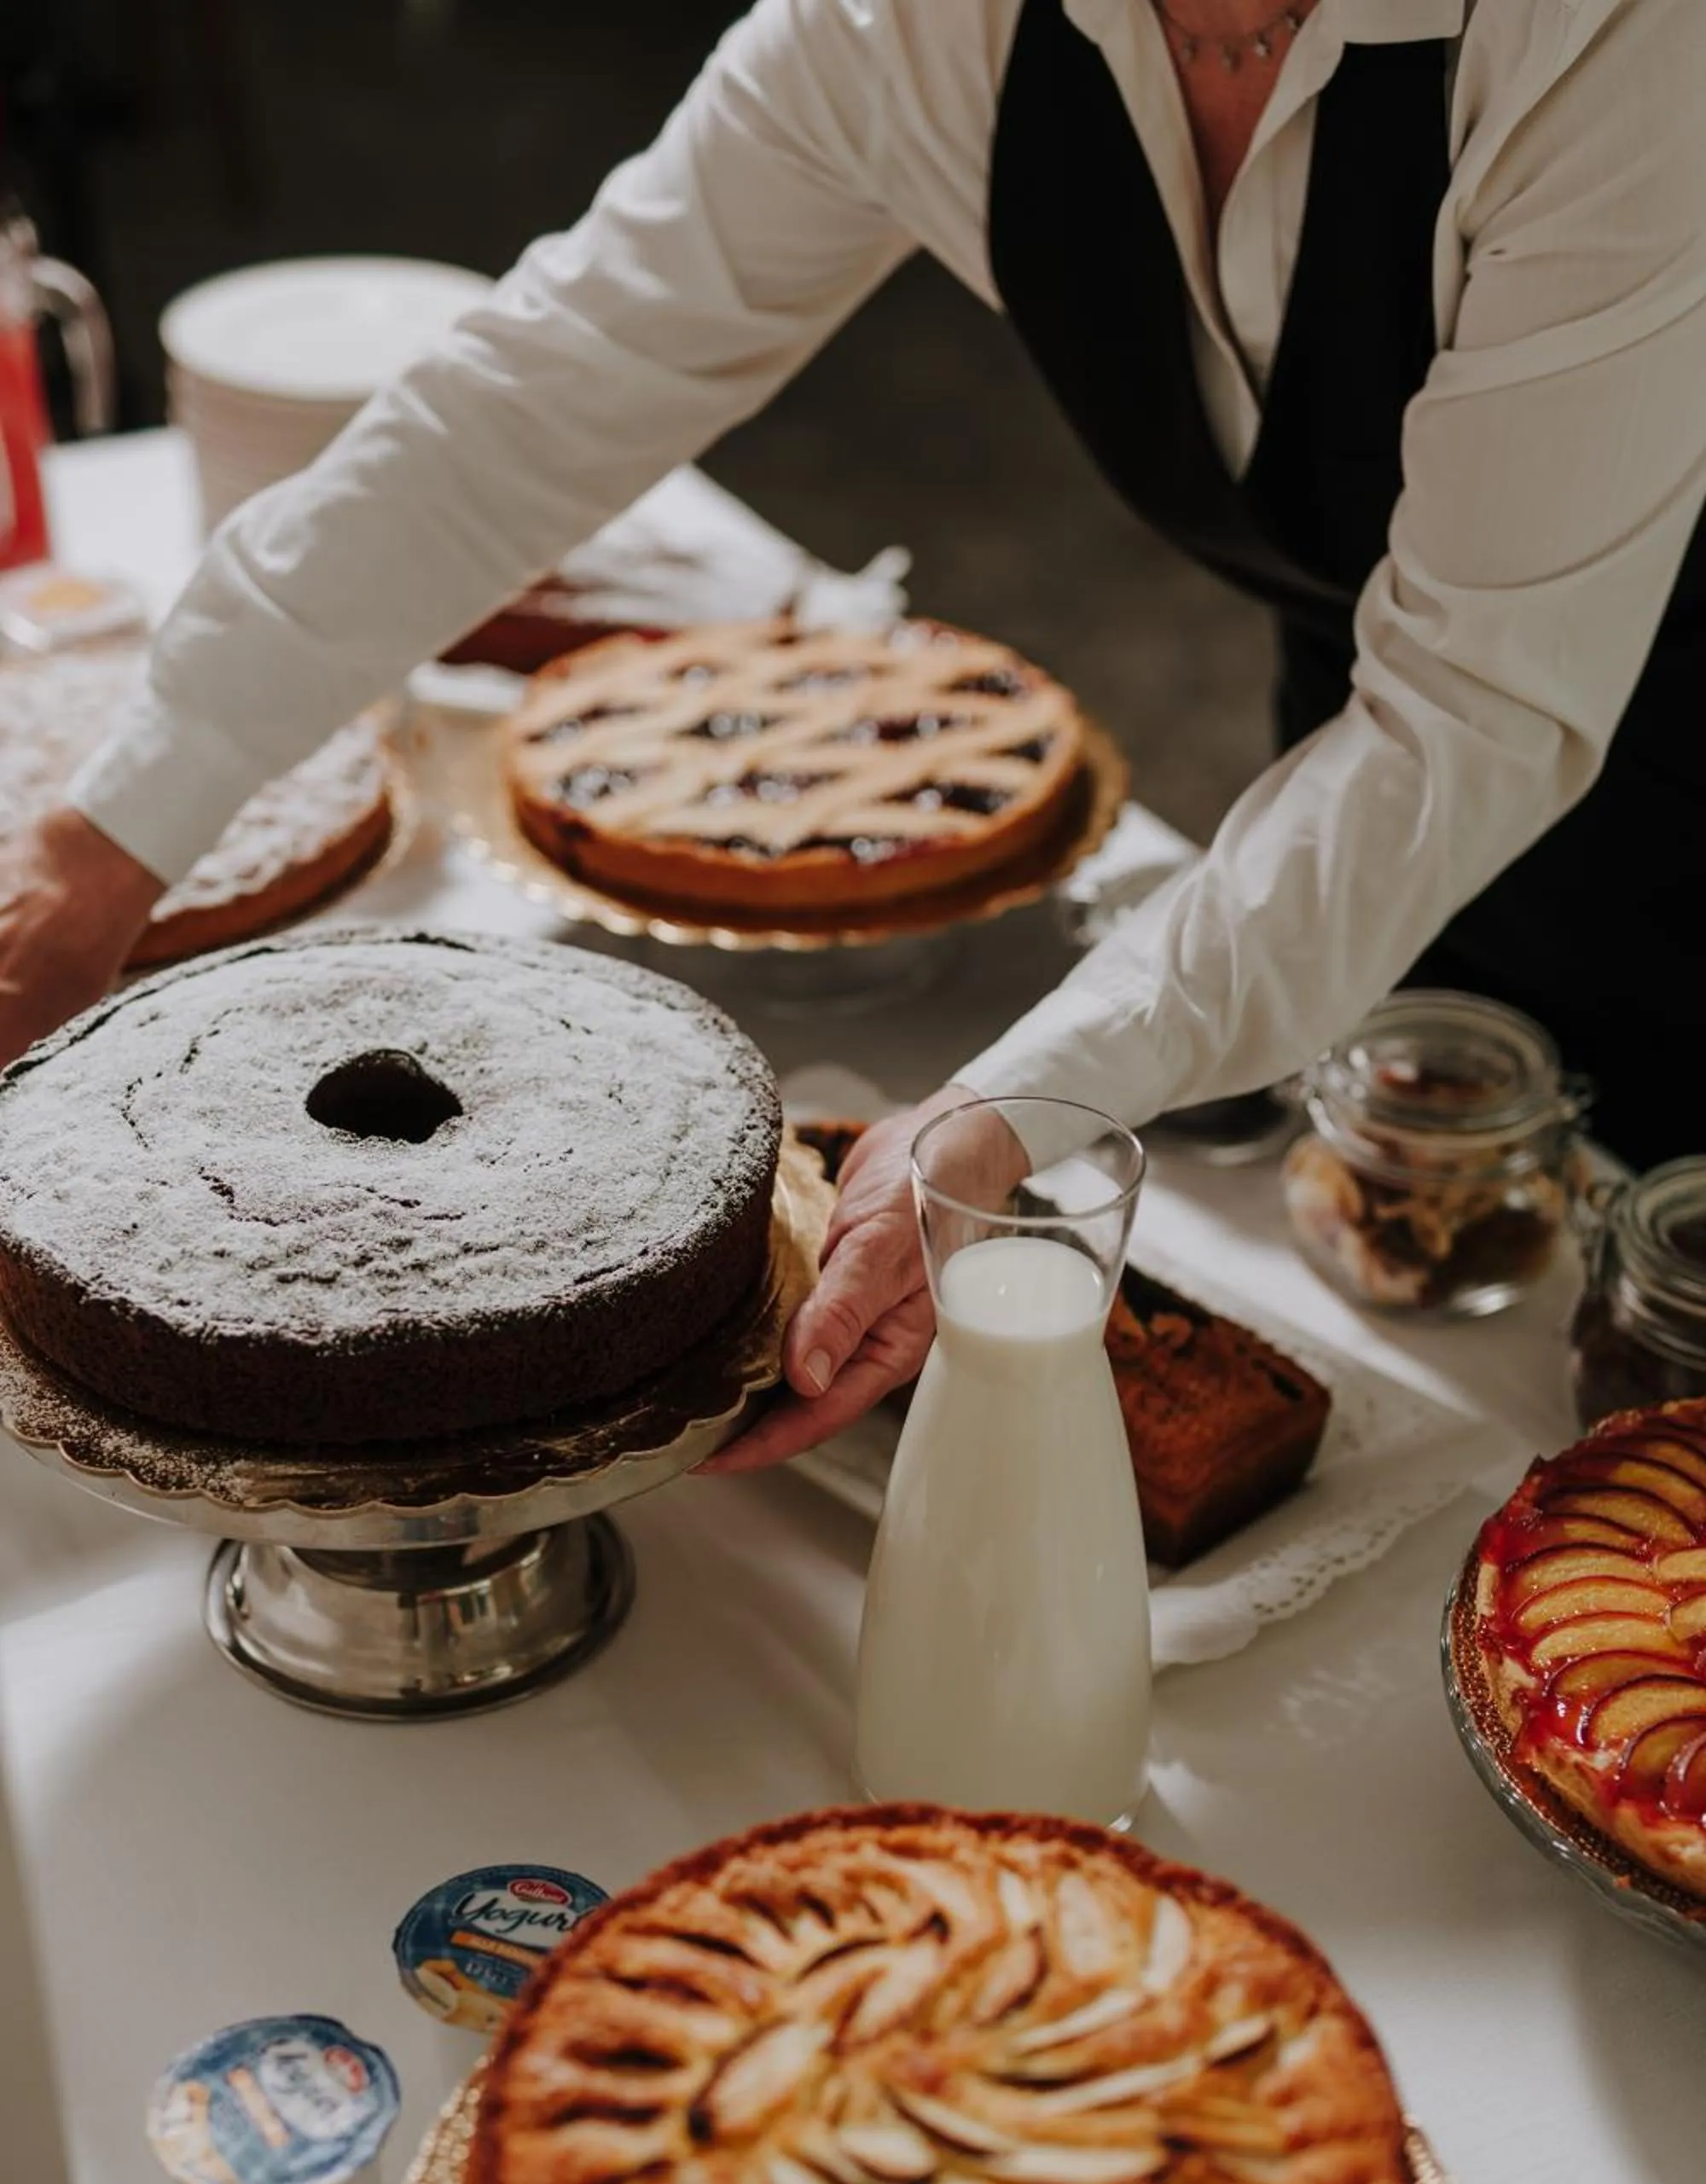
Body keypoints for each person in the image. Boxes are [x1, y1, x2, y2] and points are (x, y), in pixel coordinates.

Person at [1, 0, 1701, 1471]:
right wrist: (109, 838)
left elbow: (1474, 704)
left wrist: (1017, 1100)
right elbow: (548, 383)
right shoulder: (930, 24)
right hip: (1374, 739)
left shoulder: (1620, 39)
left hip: (1635, 754)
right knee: (1456, 1250)